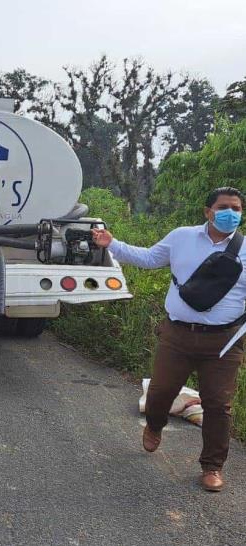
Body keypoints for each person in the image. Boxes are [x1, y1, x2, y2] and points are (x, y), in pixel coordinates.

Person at [91, 187, 246, 492]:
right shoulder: (182, 237)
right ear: (208, 211)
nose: (231, 213)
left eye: (237, 208)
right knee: (161, 392)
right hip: (177, 335)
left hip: (224, 341)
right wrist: (113, 244)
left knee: (218, 405)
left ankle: (212, 466)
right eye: (224, 207)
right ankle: (154, 424)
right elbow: (148, 258)